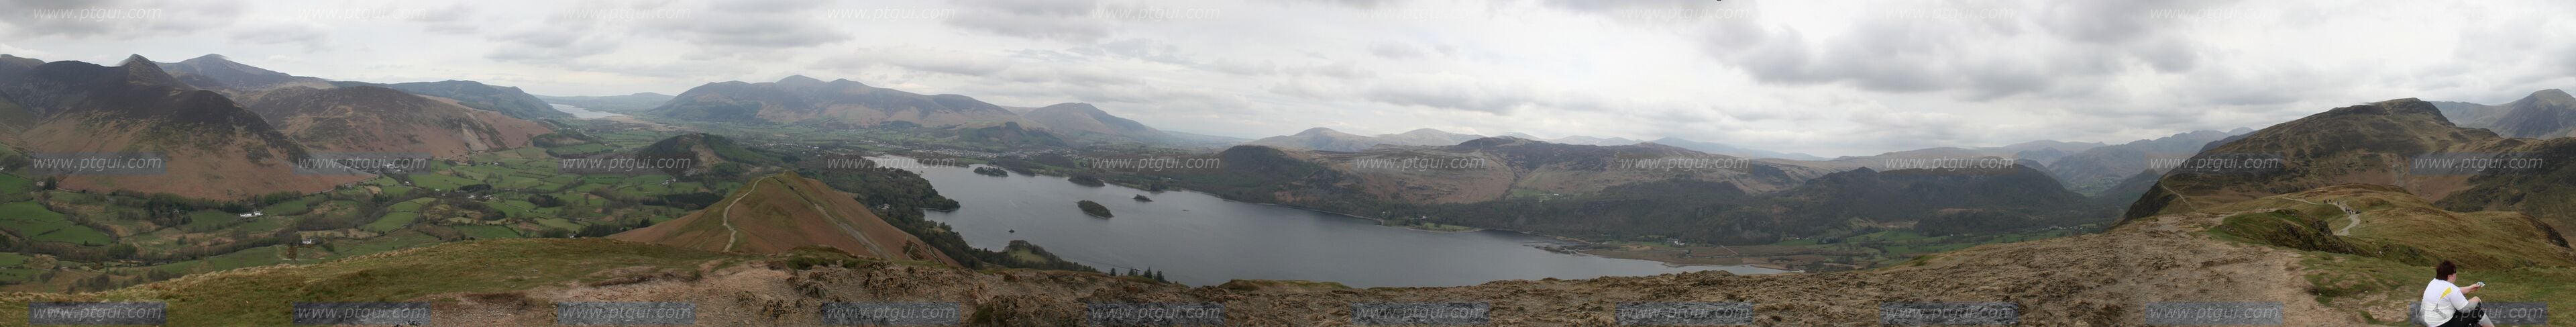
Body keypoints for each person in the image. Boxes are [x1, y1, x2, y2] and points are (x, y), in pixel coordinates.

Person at [2418, 261, 2490, 327]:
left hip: (2431, 323)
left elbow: (2449, 293)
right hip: (2443, 324)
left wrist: (2469, 288)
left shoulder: (2434, 282)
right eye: (2455, 272)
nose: (2456, 274)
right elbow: (2466, 309)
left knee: (2458, 308)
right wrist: (2477, 299)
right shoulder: (2451, 288)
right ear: (2449, 276)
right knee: (2477, 311)